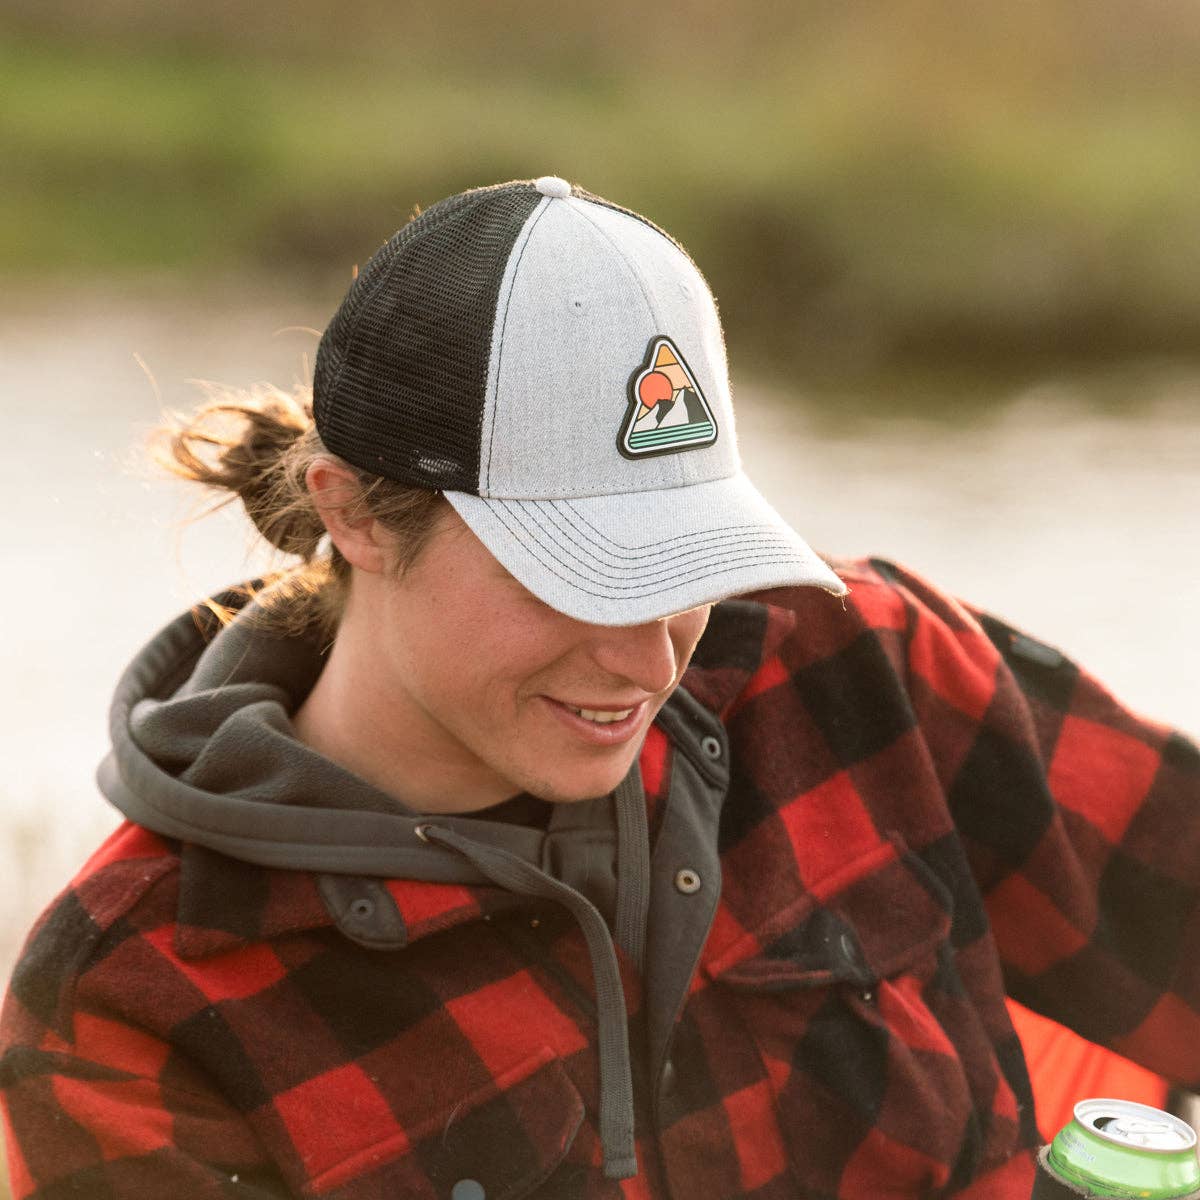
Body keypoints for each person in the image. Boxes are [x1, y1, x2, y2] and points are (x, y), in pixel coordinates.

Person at [1, 174, 1198, 1200]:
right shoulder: (132, 1003)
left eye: (684, 563)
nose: (649, 661)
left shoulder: (853, 661)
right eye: (574, 576)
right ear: (353, 512)